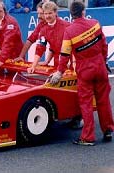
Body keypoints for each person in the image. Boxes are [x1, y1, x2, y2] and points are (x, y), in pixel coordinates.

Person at [50, 1, 114, 146]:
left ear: (71, 15)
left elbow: (64, 55)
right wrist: (104, 62)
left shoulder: (69, 31)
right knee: (104, 100)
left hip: (84, 70)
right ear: (83, 12)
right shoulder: (95, 23)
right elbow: (104, 45)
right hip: (100, 66)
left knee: (86, 104)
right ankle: (108, 129)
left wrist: (59, 72)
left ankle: (88, 137)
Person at [27, 1, 70, 73]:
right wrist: (33, 66)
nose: (47, 16)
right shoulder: (44, 30)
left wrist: (74, 63)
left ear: (55, 13)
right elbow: (40, 48)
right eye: (45, 14)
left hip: (70, 63)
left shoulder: (66, 26)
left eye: (50, 13)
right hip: (57, 64)